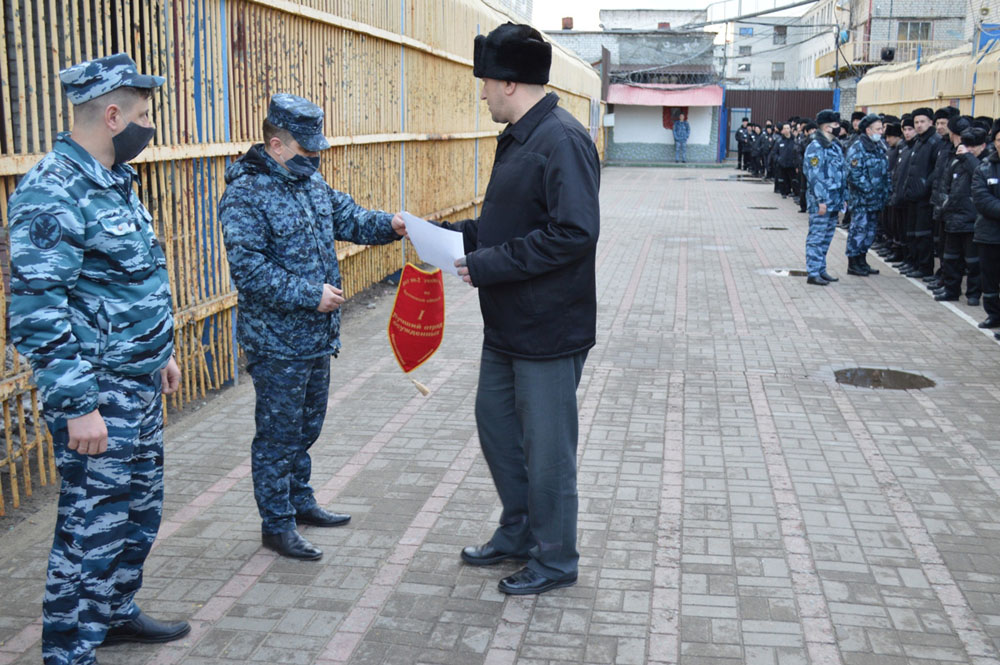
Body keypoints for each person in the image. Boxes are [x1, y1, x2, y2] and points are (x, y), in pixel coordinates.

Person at [7, 53, 189, 665]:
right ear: (112, 116)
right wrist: (79, 405)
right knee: (90, 528)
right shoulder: (51, 190)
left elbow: (126, 283)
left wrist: (157, 353)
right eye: (143, 115)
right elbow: (37, 312)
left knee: (136, 515)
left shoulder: (113, 182)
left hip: (135, 383)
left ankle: (112, 616)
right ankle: (68, 650)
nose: (149, 126)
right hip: (96, 395)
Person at [443, 22, 600, 595]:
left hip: (548, 328)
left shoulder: (561, 139)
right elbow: (508, 226)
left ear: (508, 83)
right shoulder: (519, 135)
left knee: (548, 453)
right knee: (497, 431)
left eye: (484, 82)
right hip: (506, 325)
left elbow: (574, 233)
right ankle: (519, 532)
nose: (481, 93)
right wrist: (450, 238)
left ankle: (556, 558)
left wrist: (489, 265)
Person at [219, 94, 407, 560]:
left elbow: (349, 218)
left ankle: (300, 502)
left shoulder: (307, 181)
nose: (315, 158)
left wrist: (392, 224)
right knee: (278, 435)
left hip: (314, 338)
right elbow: (250, 270)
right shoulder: (245, 194)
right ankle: (276, 524)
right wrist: (310, 295)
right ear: (277, 144)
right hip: (276, 340)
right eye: (307, 151)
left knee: (306, 427)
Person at [935, 127, 987, 304]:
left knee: (973, 262)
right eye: (967, 146)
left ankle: (973, 294)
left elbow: (981, 175)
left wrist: (969, 157)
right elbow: (945, 185)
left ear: (983, 146)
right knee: (950, 258)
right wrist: (944, 206)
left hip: (973, 221)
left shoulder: (986, 163)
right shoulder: (956, 162)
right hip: (953, 217)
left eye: (974, 146)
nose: (969, 150)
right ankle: (951, 290)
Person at [803, 109, 847, 286]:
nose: (839, 128)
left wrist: (843, 197)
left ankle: (821, 269)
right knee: (817, 236)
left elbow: (841, 174)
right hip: (821, 201)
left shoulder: (835, 145)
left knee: (827, 235)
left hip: (834, 199)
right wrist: (820, 200)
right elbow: (814, 176)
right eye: (836, 125)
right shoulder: (815, 147)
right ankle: (813, 272)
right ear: (828, 127)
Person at [897, 107, 942, 279]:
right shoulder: (919, 141)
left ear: (930, 122)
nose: (919, 125)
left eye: (922, 122)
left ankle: (924, 267)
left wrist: (924, 186)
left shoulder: (934, 141)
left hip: (924, 197)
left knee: (923, 234)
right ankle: (914, 263)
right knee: (913, 232)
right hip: (912, 195)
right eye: (916, 122)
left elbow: (935, 170)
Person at [845, 114, 890, 276]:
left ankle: (862, 260)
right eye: (878, 129)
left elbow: (885, 172)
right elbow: (854, 174)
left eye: (881, 129)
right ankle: (853, 262)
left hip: (876, 200)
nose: (881, 132)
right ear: (868, 130)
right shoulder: (858, 148)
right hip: (862, 200)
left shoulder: (880, 147)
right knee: (858, 230)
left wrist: (886, 191)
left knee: (870, 232)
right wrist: (870, 191)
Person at [972, 126, 1000, 333]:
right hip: (989, 234)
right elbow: (981, 199)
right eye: (998, 140)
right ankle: (994, 315)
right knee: (989, 278)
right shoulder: (984, 167)